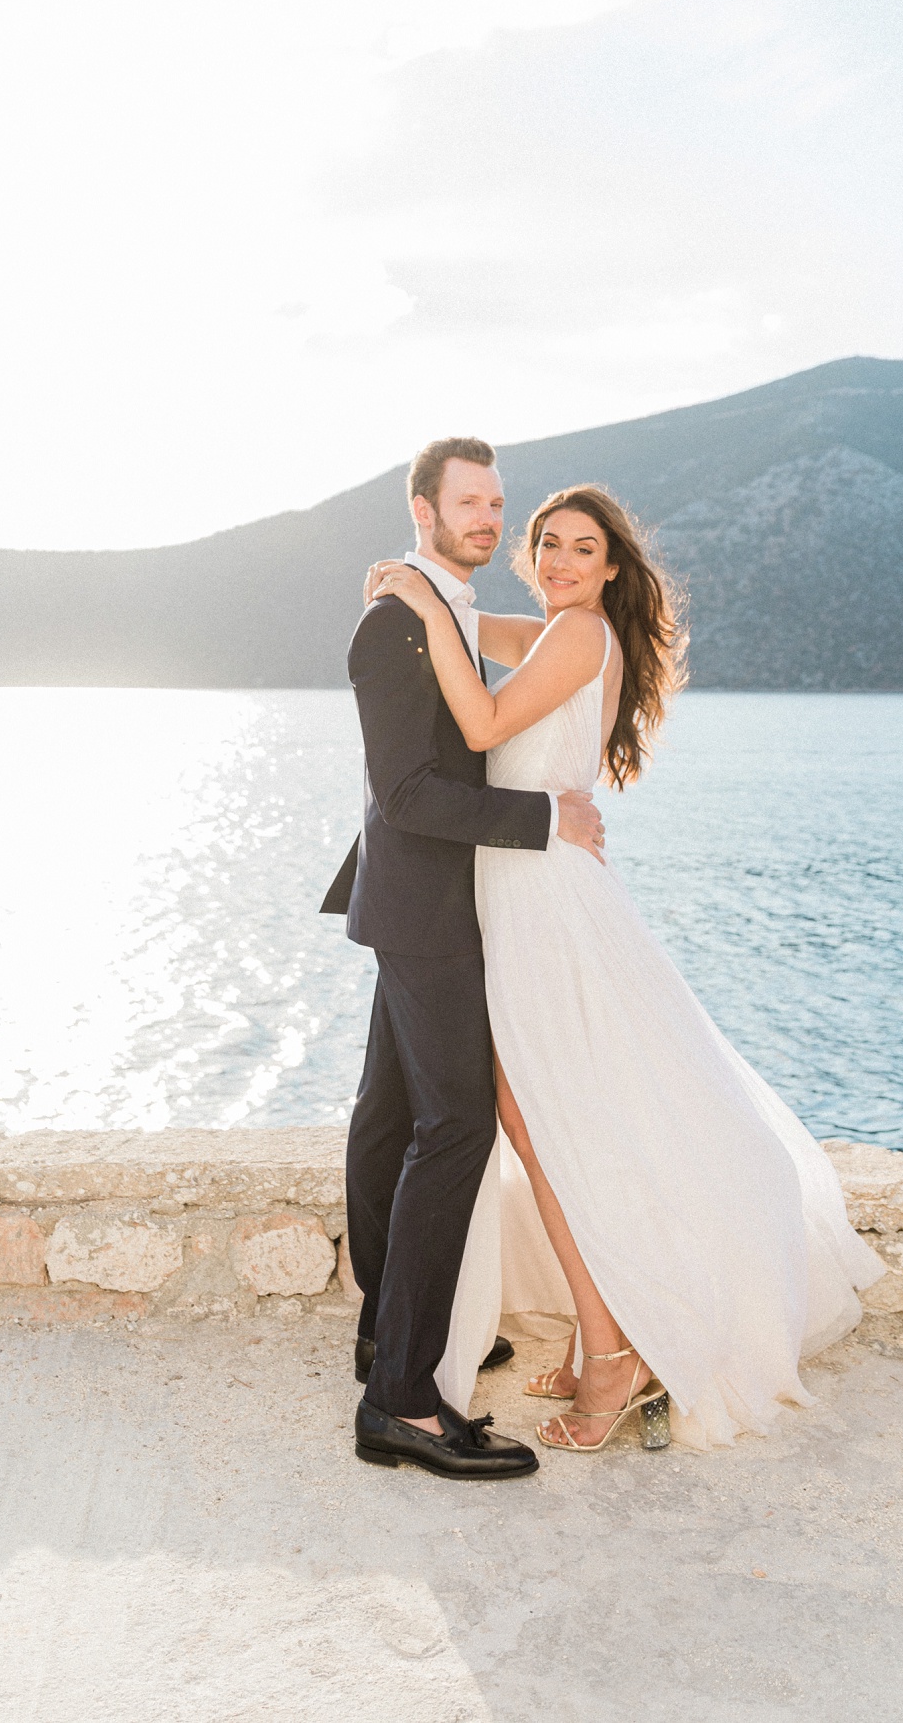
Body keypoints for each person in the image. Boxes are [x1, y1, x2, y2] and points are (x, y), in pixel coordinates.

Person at [366, 483, 885, 1453]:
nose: (563, 561)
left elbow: (479, 726)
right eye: (548, 545)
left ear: (611, 568)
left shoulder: (576, 636)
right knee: (544, 1118)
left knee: (542, 1116)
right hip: (524, 888)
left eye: (583, 549)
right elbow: (473, 636)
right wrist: (429, 595)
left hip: (543, 901)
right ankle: (603, 1333)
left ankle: (611, 1358)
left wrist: (429, 607)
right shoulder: (553, 629)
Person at [321, 438, 606, 1480]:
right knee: (456, 1128)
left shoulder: (434, 611)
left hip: (429, 904)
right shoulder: (395, 624)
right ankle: (402, 1402)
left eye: (497, 502)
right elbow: (410, 797)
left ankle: (392, 1338)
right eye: (470, 502)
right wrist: (548, 819)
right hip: (430, 910)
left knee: (390, 1118)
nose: (489, 517)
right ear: (422, 508)